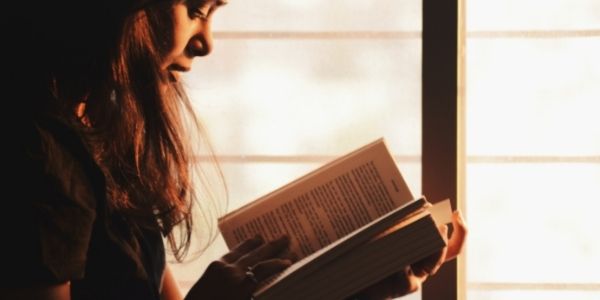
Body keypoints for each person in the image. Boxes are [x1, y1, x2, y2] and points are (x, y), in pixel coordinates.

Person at [1, 0, 466, 299]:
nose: (206, 43)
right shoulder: (36, 155)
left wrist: (351, 285)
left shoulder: (101, 134)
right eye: (198, 9)